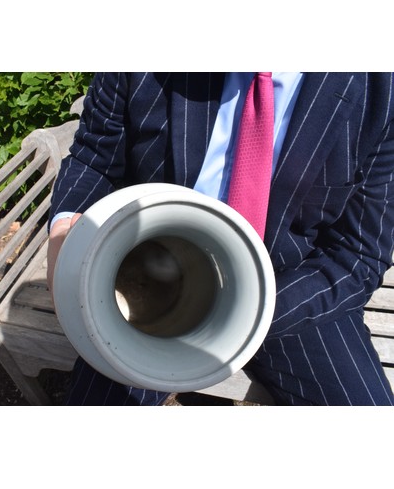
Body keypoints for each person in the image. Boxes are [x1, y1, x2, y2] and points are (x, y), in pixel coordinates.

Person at [47, 72, 394, 406]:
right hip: (144, 290)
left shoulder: (381, 87)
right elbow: (95, 156)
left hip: (292, 292)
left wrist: (247, 311)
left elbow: (359, 254)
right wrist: (64, 228)